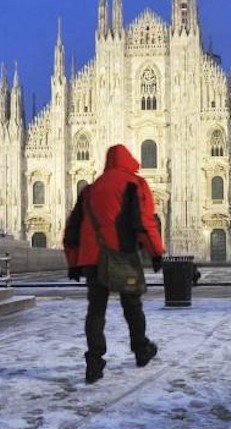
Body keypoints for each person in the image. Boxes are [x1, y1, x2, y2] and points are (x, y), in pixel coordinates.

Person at [63, 144, 165, 384]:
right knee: (132, 305)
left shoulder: (90, 189)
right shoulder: (134, 184)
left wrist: (73, 262)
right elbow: (144, 222)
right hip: (122, 256)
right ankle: (141, 349)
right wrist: (156, 252)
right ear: (129, 161)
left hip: (91, 260)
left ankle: (94, 362)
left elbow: (73, 228)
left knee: (96, 311)